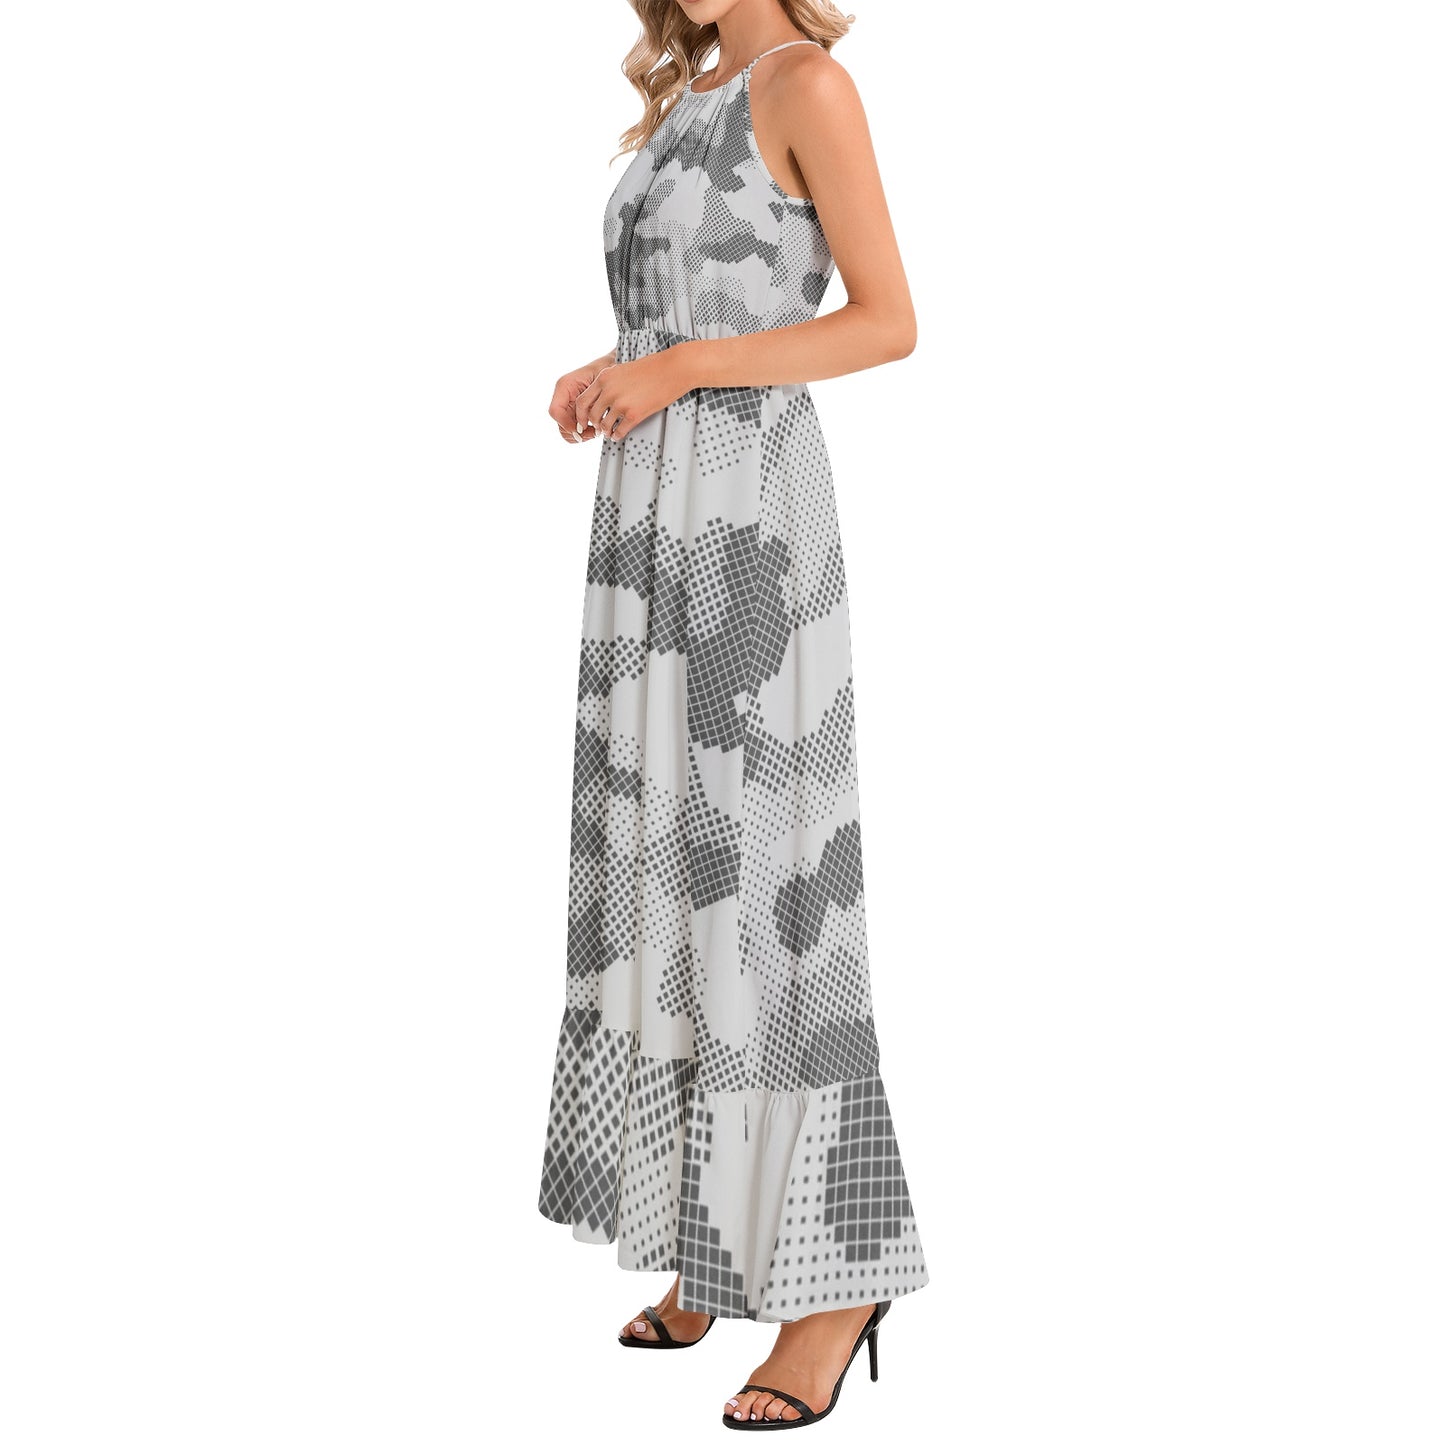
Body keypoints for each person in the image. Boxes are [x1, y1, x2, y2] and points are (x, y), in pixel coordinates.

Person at [538, 0, 929, 1428]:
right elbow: (676, 317)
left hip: (748, 513)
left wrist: (681, 365)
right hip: (649, 511)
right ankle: (706, 1228)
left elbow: (887, 322)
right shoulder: (692, 93)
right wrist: (616, 370)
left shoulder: (806, 84)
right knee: (659, 867)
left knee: (762, 874)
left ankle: (835, 1281)